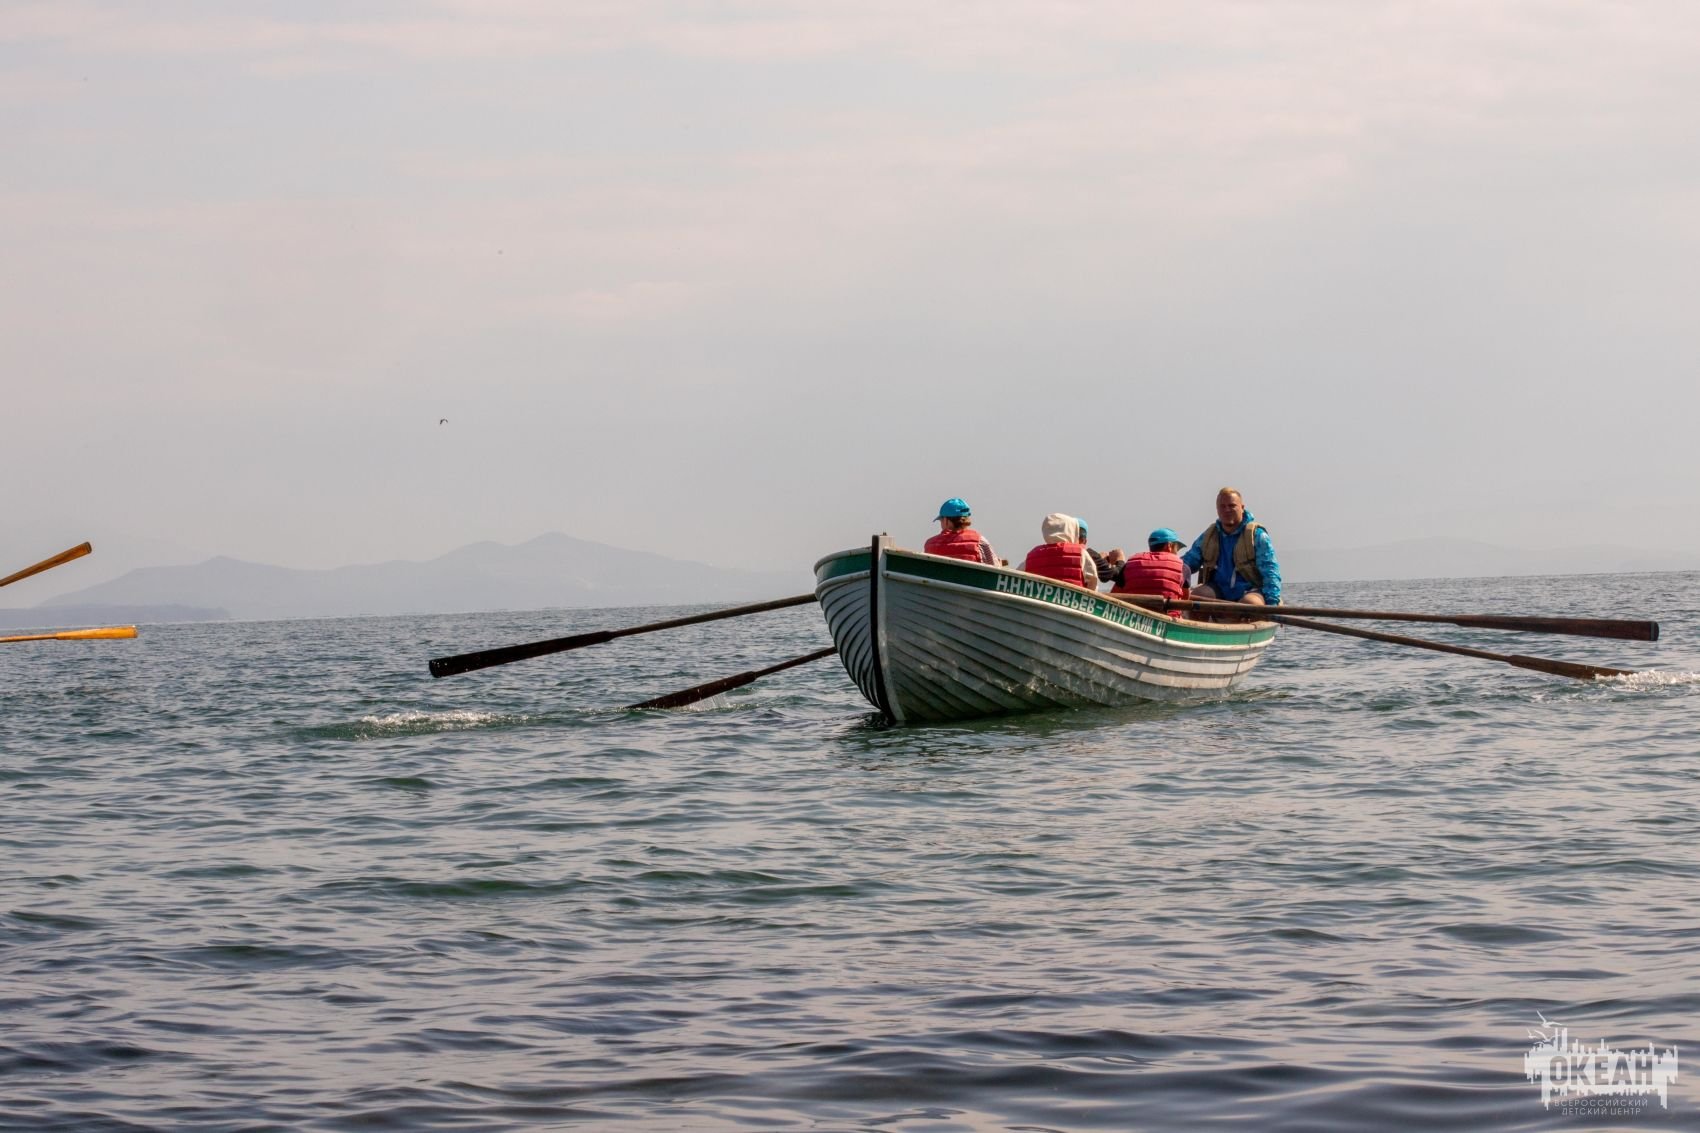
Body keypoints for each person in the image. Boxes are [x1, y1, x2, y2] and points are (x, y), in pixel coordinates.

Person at [1180, 487, 1281, 607]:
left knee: (1250, 603)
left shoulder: (1257, 536)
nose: (1227, 510)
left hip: (1251, 590)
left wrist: (1272, 603)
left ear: (1242, 508)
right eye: (1222, 506)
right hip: (1218, 590)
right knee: (1196, 598)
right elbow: (1188, 562)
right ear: (1217, 510)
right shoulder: (1209, 536)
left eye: (1232, 506)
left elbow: (1270, 572)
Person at [1019, 514, 1099, 589]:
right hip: (1072, 597)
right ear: (1071, 530)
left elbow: (1018, 575)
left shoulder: (1033, 554)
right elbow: (1093, 578)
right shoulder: (1081, 553)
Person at [1112, 528, 1191, 602]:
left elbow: (1114, 595)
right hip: (1167, 612)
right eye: (1177, 548)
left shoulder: (1130, 564)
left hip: (1133, 611)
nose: (1177, 552)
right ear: (1169, 546)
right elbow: (1184, 601)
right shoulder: (1183, 567)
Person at [924, 498, 998, 565]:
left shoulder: (930, 544)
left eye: (941, 520)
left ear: (946, 520)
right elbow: (994, 567)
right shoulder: (980, 541)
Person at [1077, 518, 1125, 587]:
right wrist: (1120, 560)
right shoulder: (1088, 555)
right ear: (1084, 541)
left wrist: (1100, 561)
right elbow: (1117, 576)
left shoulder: (1059, 550)